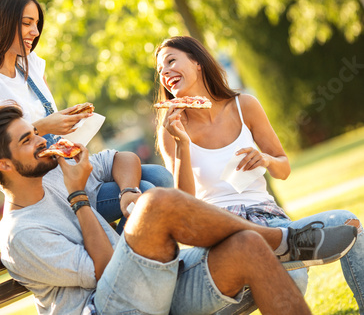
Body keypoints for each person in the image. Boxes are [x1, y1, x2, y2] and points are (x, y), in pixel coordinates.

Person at [0, 104, 357, 315]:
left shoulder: (53, 172)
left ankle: (275, 243)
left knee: (249, 248)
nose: (42, 141)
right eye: (27, 140)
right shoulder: (21, 235)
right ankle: (286, 241)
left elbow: (120, 158)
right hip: (108, 307)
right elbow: (103, 272)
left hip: (152, 290)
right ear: (3, 164)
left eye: (35, 133)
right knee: (160, 205)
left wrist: (129, 192)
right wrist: (79, 197)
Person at [155, 35, 364, 312]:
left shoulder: (244, 106)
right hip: (221, 232)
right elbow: (184, 202)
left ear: (197, 63)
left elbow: (284, 168)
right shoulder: (170, 130)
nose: (165, 72)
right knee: (285, 280)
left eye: (171, 61)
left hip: (269, 220)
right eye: (160, 71)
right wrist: (181, 142)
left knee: (350, 225)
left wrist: (265, 159)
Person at [0, 0, 173, 231]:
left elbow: (51, 126)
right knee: (148, 193)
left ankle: (119, 242)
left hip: (69, 165)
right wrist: (43, 127)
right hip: (46, 186)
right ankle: (119, 255)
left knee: (161, 177)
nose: (35, 31)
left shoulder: (31, 66)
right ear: (2, 21)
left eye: (36, 24)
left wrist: (69, 120)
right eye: (27, 23)